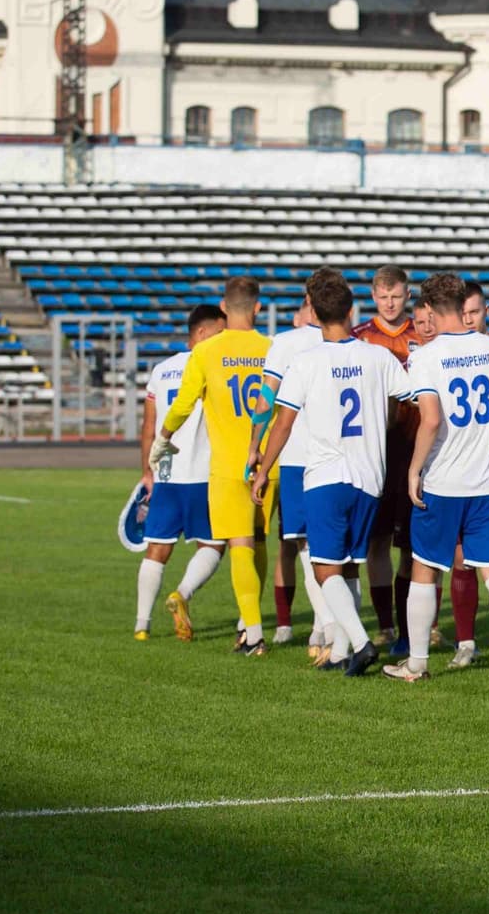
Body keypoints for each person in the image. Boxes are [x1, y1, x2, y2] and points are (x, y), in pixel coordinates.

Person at [253, 268, 414, 677]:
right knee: (349, 566)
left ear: (314, 312)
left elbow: (283, 423)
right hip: (369, 476)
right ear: (351, 308)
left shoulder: (306, 362)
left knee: (325, 569)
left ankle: (360, 644)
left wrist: (262, 468)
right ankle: (342, 651)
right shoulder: (378, 355)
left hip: (325, 474)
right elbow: (413, 395)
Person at [383, 273, 489, 682]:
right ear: (463, 303)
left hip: (444, 480)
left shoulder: (426, 356)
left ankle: (417, 664)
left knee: (425, 568)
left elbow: (430, 419)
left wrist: (414, 469)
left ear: (428, 309)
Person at [151, 275, 272, 655]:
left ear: (223, 307)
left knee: (239, 546)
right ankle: (246, 624)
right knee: (261, 542)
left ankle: (253, 633)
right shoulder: (273, 348)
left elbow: (185, 403)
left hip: (226, 466)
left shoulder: (205, 352)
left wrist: (162, 438)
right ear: (258, 308)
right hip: (269, 462)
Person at [251, 295, 340, 657]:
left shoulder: (285, 343)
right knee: (336, 551)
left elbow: (265, 400)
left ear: (308, 305)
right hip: (343, 458)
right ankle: (322, 628)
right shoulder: (351, 343)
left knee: (305, 548)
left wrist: (254, 446)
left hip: (298, 456)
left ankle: (329, 628)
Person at [133, 305, 227, 641]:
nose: (223, 338)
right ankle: (182, 594)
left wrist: (147, 471)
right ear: (202, 334)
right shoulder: (211, 364)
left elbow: (149, 427)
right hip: (204, 472)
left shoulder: (161, 369)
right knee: (214, 545)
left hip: (167, 472)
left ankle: (141, 625)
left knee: (157, 547)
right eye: (220, 331)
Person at [353, 265, 419, 649]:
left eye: (396, 296)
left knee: (411, 546)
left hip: (416, 449)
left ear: (407, 296)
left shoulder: (422, 334)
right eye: (383, 297)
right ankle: (385, 625)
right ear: (373, 297)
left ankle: (415, 626)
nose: (390, 303)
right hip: (375, 452)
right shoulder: (361, 338)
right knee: (377, 542)